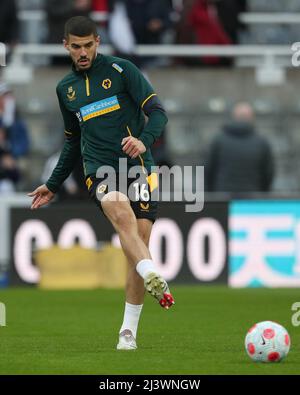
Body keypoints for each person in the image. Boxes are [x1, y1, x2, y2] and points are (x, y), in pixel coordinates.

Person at [28, 16, 174, 350]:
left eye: (88, 45)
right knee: (122, 217)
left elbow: (160, 112)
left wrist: (143, 140)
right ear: (66, 45)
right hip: (100, 171)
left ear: (98, 42)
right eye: (75, 46)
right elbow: (70, 141)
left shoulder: (123, 71)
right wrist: (52, 183)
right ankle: (152, 271)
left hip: (138, 166)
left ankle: (128, 331)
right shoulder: (65, 88)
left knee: (138, 239)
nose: (82, 52)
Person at [205, 102, 274, 194]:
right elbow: (268, 173)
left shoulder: (218, 140)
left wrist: (212, 193)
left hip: (223, 198)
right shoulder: (262, 142)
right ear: (251, 118)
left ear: (233, 116)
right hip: (252, 197)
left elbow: (208, 170)